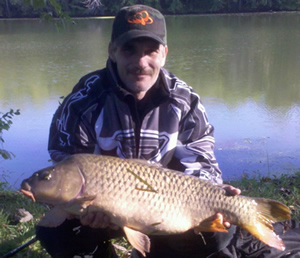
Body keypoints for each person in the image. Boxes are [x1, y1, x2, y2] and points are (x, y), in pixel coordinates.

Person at [36, 4, 300, 258]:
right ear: (112, 51)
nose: (141, 62)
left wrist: (215, 193)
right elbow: (64, 164)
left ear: (164, 53)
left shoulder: (184, 101)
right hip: (97, 210)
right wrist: (80, 211)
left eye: (150, 51)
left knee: (217, 235)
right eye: (129, 50)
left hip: (168, 209)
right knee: (55, 232)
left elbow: (202, 164)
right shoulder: (84, 100)